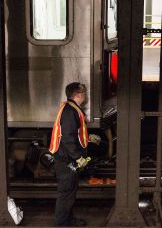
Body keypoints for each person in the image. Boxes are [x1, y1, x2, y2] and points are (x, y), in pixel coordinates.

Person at [49, 82, 92, 227]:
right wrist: (78, 157)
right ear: (78, 95)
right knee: (66, 191)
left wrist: (90, 138)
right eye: (84, 92)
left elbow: (74, 134)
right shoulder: (70, 111)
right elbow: (67, 138)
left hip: (67, 159)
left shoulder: (72, 109)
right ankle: (61, 223)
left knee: (70, 191)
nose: (85, 95)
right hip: (66, 160)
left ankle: (68, 219)